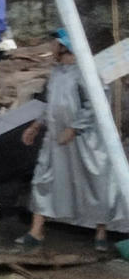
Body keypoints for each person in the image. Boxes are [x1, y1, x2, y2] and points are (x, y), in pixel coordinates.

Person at [16, 29, 129, 251]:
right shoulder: (58, 72)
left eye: (53, 43)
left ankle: (100, 232)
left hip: (86, 140)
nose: (50, 47)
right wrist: (37, 125)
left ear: (64, 46)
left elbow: (96, 103)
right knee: (44, 180)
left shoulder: (87, 72)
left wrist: (75, 129)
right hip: (56, 139)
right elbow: (52, 104)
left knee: (96, 183)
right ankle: (36, 231)